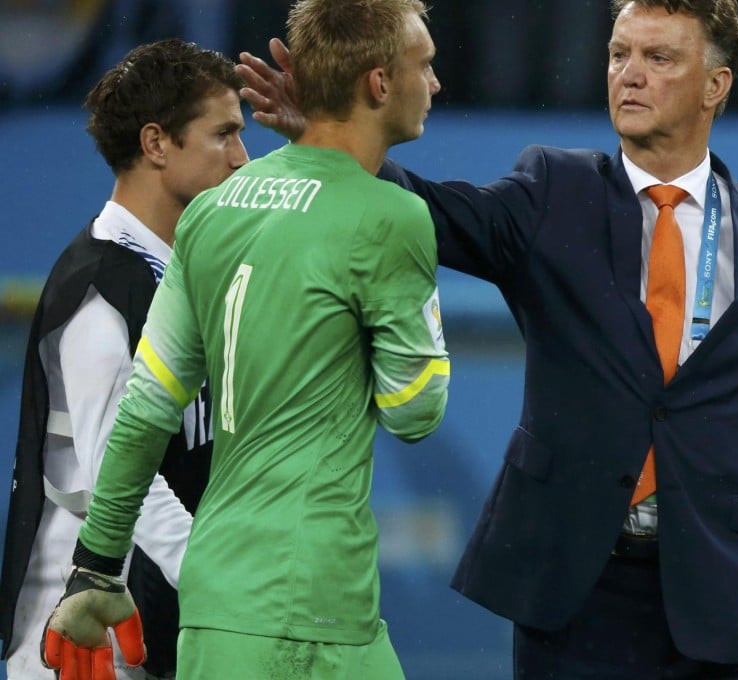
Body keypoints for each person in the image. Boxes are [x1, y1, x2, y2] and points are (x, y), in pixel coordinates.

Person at [236, 1, 738, 678]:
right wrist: (330, 135)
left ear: (715, 85)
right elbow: (429, 211)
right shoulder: (552, 192)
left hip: (732, 598)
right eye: (620, 53)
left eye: (659, 58)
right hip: (579, 595)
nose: (630, 73)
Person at [39, 0, 448, 678]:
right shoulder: (394, 218)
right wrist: (410, 290)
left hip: (216, 601)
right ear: (379, 84)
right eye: (424, 66)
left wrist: (98, 569)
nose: (433, 84)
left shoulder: (213, 211)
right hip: (315, 606)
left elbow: (144, 411)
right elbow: (415, 410)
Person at [0, 38, 248, 679]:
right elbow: (121, 473)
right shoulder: (98, 288)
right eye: (223, 135)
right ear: (157, 143)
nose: (242, 160)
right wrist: (222, 584)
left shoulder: (181, 273)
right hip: (83, 640)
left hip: (156, 616)